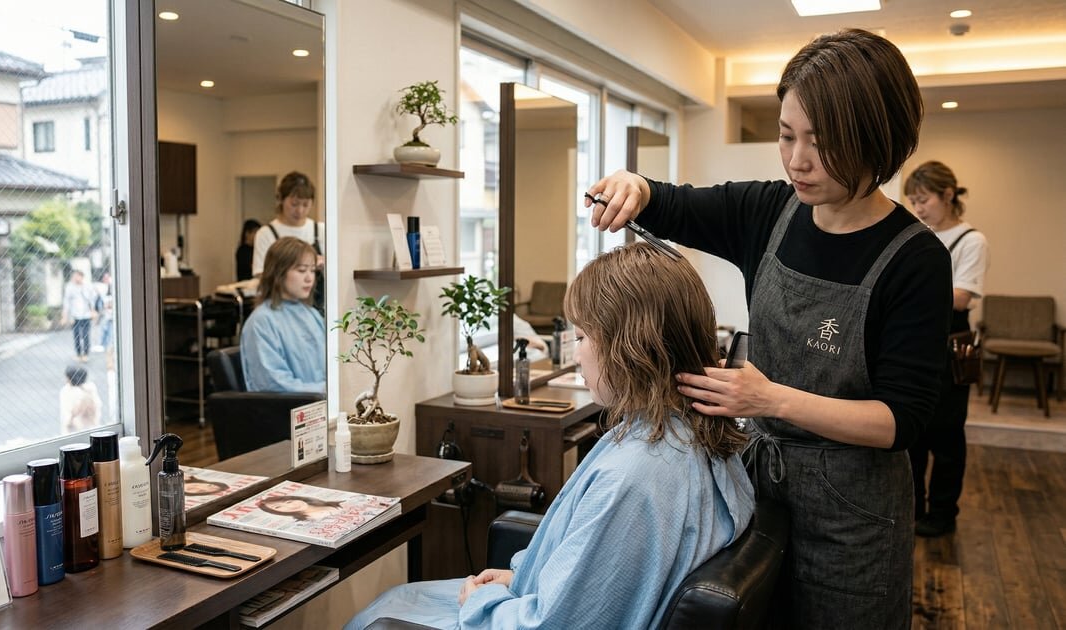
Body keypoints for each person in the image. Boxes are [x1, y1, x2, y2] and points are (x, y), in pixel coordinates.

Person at [585, 28, 951, 628]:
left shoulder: (914, 259)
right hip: (758, 495)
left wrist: (769, 398)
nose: (797, 160)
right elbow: (670, 203)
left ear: (877, 138)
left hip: (854, 518)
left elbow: (901, 420)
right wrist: (636, 186)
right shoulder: (768, 212)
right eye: (786, 136)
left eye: (822, 142)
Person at [344, 242, 755, 630]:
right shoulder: (692, 433)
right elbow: (591, 574)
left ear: (629, 346)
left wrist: (478, 603)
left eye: (581, 338)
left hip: (522, 617)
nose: (575, 353)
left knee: (383, 612)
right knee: (397, 598)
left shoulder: (633, 478)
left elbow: (553, 623)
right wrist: (521, 573)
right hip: (535, 596)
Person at [904, 161, 988, 538]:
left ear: (948, 195)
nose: (919, 209)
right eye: (913, 202)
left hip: (953, 343)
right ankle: (913, 508)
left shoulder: (971, 240)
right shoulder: (916, 234)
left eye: (924, 200)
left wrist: (911, 290)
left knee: (948, 434)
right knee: (913, 431)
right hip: (915, 336)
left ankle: (942, 512)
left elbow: (962, 298)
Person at [240, 237, 327, 395]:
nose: (309, 278)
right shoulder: (261, 322)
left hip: (319, 403)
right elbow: (273, 384)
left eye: (312, 270)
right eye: (301, 270)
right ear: (278, 273)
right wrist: (325, 390)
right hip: (288, 411)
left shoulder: (311, 314)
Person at [252, 171, 325, 312]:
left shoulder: (321, 230)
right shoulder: (267, 233)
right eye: (294, 204)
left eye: (305, 205)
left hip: (316, 308)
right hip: (280, 309)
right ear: (281, 200)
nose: (299, 210)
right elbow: (262, 275)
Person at [60, 269, 98, 362]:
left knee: (85, 335)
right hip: (75, 316)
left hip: (86, 315)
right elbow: (66, 302)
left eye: (78, 276)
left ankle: (85, 354)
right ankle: (78, 353)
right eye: (74, 276)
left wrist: (93, 311)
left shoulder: (87, 286)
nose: (76, 278)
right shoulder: (70, 287)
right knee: (76, 335)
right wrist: (65, 316)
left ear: (82, 277)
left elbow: (92, 300)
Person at [60, 365, 102, 434]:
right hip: (92, 426)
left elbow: (72, 413)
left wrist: (68, 423)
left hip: (77, 429)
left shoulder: (68, 391)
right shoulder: (91, 387)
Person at [256, 495, 344, 521]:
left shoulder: (337, 504)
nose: (290, 506)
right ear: (276, 511)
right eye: (278, 507)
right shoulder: (309, 520)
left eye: (289, 501)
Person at [92, 271, 114, 353]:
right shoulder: (101, 287)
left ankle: (108, 345)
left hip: (111, 314)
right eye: (105, 278)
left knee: (110, 330)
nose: (106, 279)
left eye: (108, 277)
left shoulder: (112, 286)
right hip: (105, 314)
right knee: (104, 329)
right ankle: (103, 345)